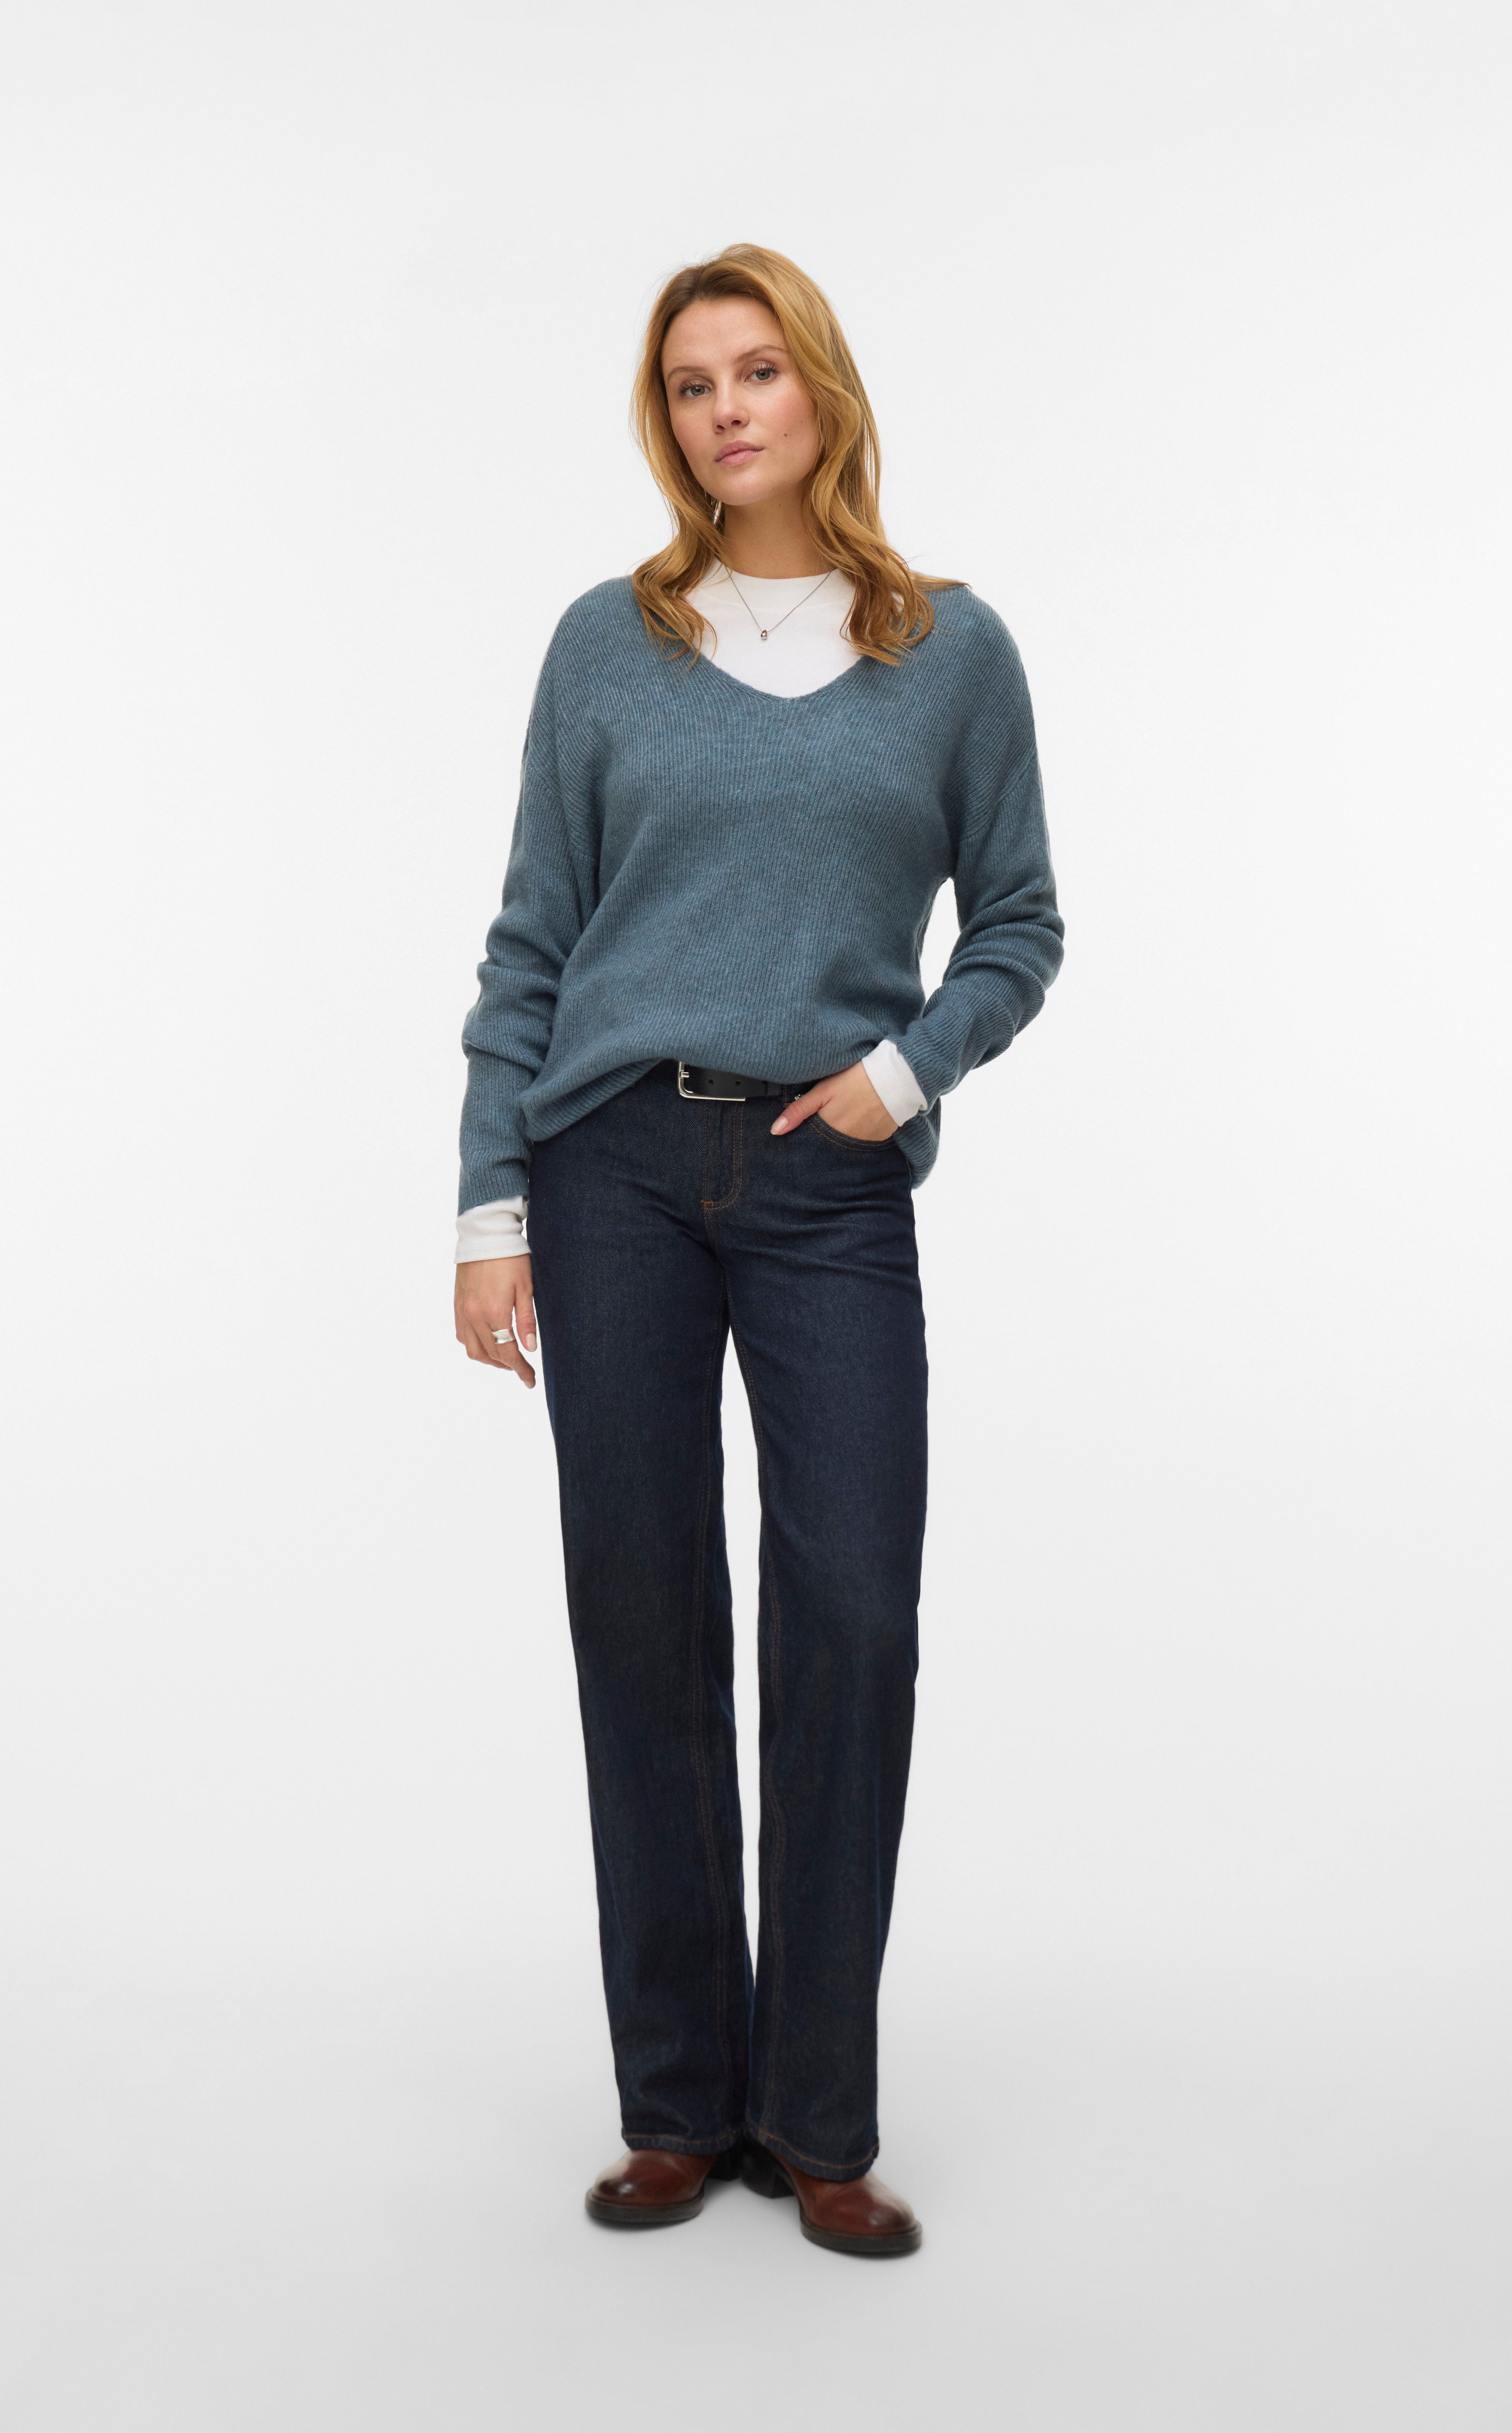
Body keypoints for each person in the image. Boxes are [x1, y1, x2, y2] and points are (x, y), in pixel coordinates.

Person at [452, 244, 1063, 2257]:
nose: (725, 409)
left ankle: (816, 2116)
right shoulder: (604, 645)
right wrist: (488, 1205)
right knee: (641, 1620)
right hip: (610, 1164)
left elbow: (1019, 924)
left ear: (822, 389)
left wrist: (902, 1072)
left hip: (826, 1181)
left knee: (852, 1616)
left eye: (756, 371)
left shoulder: (948, 650)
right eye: (690, 383)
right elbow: (533, 942)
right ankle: (676, 2106)